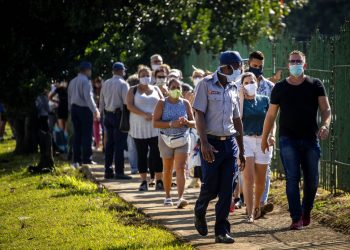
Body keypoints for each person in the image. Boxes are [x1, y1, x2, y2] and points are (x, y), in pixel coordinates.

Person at [261, 50, 331, 230]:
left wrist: (325, 125)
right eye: (292, 61)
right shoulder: (280, 87)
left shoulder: (315, 84)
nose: (295, 64)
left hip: (310, 138)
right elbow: (270, 115)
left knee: (312, 179)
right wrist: (265, 137)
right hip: (287, 139)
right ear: (287, 65)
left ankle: (306, 211)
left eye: (298, 61)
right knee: (292, 178)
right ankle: (296, 217)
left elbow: (326, 109)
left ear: (304, 65)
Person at [193, 51, 246, 244]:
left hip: (230, 144)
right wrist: (204, 142)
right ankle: (200, 209)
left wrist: (242, 150)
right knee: (211, 186)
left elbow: (237, 120)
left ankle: (221, 231)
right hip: (211, 143)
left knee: (227, 189)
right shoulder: (205, 85)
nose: (240, 70)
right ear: (227, 66)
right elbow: (198, 114)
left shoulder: (233, 87)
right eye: (238, 66)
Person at [153, 78, 195, 208]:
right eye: (172, 87)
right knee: (167, 168)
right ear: (168, 89)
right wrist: (171, 123)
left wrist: (187, 122)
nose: (175, 90)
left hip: (182, 138)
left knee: (181, 168)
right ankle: (167, 196)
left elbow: (194, 122)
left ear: (181, 90)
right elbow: (155, 123)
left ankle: (180, 197)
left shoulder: (186, 103)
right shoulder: (162, 103)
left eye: (178, 87)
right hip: (166, 139)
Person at [239, 72, 275, 223]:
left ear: (257, 82)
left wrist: (271, 135)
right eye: (246, 82)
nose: (250, 84)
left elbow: (271, 119)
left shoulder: (265, 100)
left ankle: (257, 206)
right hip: (246, 140)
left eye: (252, 81)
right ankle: (249, 212)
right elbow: (238, 118)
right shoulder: (239, 101)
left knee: (261, 179)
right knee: (248, 177)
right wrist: (241, 98)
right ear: (242, 85)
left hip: (263, 140)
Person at [245, 51, 275, 215]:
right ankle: (247, 202)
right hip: (246, 136)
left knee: (265, 172)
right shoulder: (241, 84)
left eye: (260, 67)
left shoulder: (270, 87)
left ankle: (260, 204)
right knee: (247, 173)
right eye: (254, 66)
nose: (257, 69)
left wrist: (271, 135)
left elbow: (274, 114)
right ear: (249, 64)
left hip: (265, 135)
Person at [126, 66, 164, 191]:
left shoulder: (156, 88)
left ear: (151, 75)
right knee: (141, 155)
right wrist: (144, 114)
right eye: (142, 75)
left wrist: (157, 115)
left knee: (157, 154)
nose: (145, 77)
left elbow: (162, 102)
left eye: (147, 75)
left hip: (155, 127)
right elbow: (129, 106)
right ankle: (143, 181)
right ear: (138, 76)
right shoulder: (133, 90)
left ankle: (159, 180)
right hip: (139, 128)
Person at [99, 62, 131, 180]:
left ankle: (108, 170)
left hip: (107, 115)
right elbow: (126, 103)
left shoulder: (106, 83)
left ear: (113, 71)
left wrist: (101, 115)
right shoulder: (123, 84)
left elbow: (101, 101)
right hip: (119, 116)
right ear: (121, 71)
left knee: (109, 144)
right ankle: (119, 171)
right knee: (119, 144)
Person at [68, 61, 100, 167]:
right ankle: (87, 158)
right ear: (87, 70)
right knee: (87, 134)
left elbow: (69, 98)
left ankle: (76, 159)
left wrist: (70, 109)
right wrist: (95, 110)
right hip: (84, 109)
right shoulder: (85, 81)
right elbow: (88, 97)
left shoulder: (72, 81)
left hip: (74, 109)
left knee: (77, 134)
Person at [126, 74, 140, 175]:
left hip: (131, 122)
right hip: (142, 122)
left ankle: (134, 167)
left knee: (132, 147)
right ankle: (141, 166)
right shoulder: (142, 93)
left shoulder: (128, 92)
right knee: (142, 146)